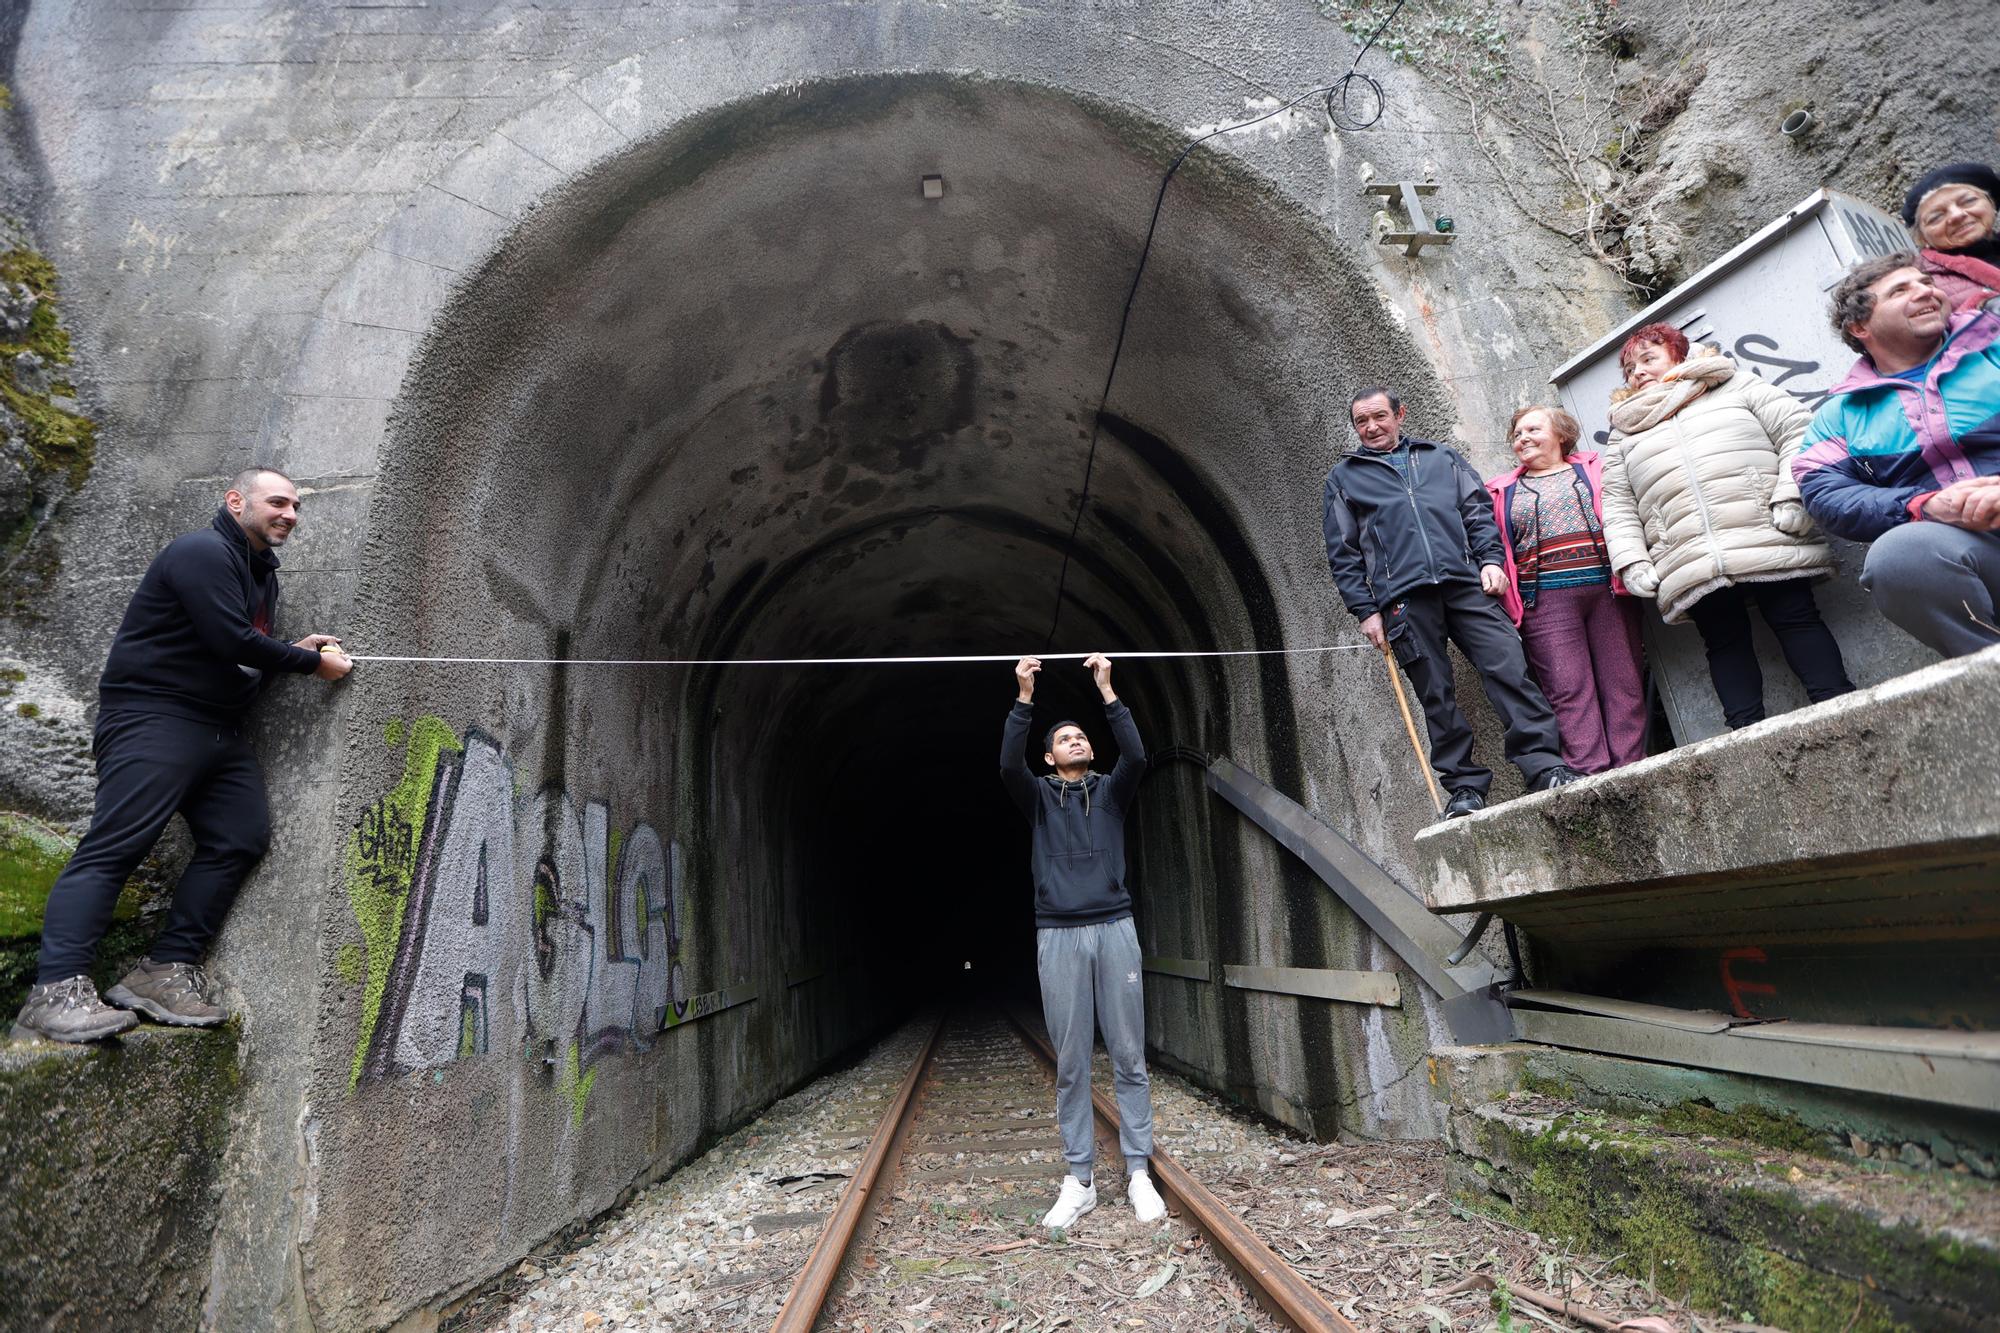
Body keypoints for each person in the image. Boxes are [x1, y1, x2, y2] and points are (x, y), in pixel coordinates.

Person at [11, 468, 352, 1044]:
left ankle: (162, 971)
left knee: (239, 837)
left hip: (217, 729)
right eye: (277, 502)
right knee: (116, 847)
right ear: (236, 500)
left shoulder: (260, 575)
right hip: (154, 720)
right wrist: (307, 663)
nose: (290, 513)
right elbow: (229, 640)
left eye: (296, 506)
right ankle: (55, 994)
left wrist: (290, 653)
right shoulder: (201, 552)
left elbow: (242, 661)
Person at [1323, 388, 1579, 819]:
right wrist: (1366, 610)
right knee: (1436, 694)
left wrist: (1492, 561)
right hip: (1402, 599)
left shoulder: (1442, 457)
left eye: (1380, 417)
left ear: (1400, 414)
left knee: (1509, 668)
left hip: (1466, 583)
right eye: (1361, 421)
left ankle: (1544, 765)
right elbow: (1342, 552)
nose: (1371, 427)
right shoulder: (1344, 477)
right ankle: (1464, 788)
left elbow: (1477, 513)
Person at [1600, 324, 1854, 729]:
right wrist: (1631, 559)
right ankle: (1743, 737)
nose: (1638, 373)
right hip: (1686, 551)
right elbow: (1616, 501)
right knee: (1722, 640)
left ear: (1681, 355)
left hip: (1765, 531)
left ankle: (1843, 711)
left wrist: (1791, 495)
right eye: (1630, 369)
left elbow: (1800, 431)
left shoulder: (1735, 385)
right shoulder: (1626, 429)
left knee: (1795, 616)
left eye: (1649, 359)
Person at [1001, 653, 1166, 1230]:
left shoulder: (1114, 792)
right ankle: (1080, 1180)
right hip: (1058, 936)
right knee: (1071, 1062)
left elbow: (1139, 756)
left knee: (1128, 1054)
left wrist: (1107, 691)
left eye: (1081, 737)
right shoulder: (1040, 799)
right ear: (1050, 757)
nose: (1075, 741)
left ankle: (1139, 1172)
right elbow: (1007, 768)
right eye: (1064, 739)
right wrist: (1024, 697)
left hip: (1115, 928)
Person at [1794, 254, 2000, 658]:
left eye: (1925, 282)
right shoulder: (1842, 413)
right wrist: (1925, 506)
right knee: (1897, 557)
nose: (1926, 290)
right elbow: (1823, 492)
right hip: (1977, 556)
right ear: (1860, 327)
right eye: (1900, 290)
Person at [1484, 406, 1648, 773]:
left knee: (1623, 681)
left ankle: (1632, 767)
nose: (1522, 438)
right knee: (1568, 689)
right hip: (1545, 601)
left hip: (1608, 592)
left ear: (1561, 434)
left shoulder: (1595, 470)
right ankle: (1591, 772)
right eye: (1517, 434)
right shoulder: (1500, 491)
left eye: (1532, 429)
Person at [1904, 162, 2000, 313]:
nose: (1957, 215)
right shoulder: (1923, 284)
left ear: (1991, 204)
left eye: (1969, 201)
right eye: (1936, 217)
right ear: (1922, 238)